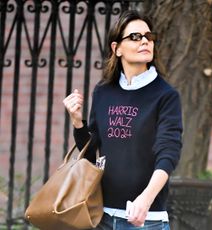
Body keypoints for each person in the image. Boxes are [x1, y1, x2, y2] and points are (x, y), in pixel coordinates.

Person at [63, 10, 183, 230]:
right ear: (116, 48)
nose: (145, 41)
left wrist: (145, 200)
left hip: (147, 220)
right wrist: (77, 122)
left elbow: (169, 153)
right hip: (101, 217)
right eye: (135, 37)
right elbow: (90, 156)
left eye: (148, 36)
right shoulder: (103, 92)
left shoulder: (166, 95)